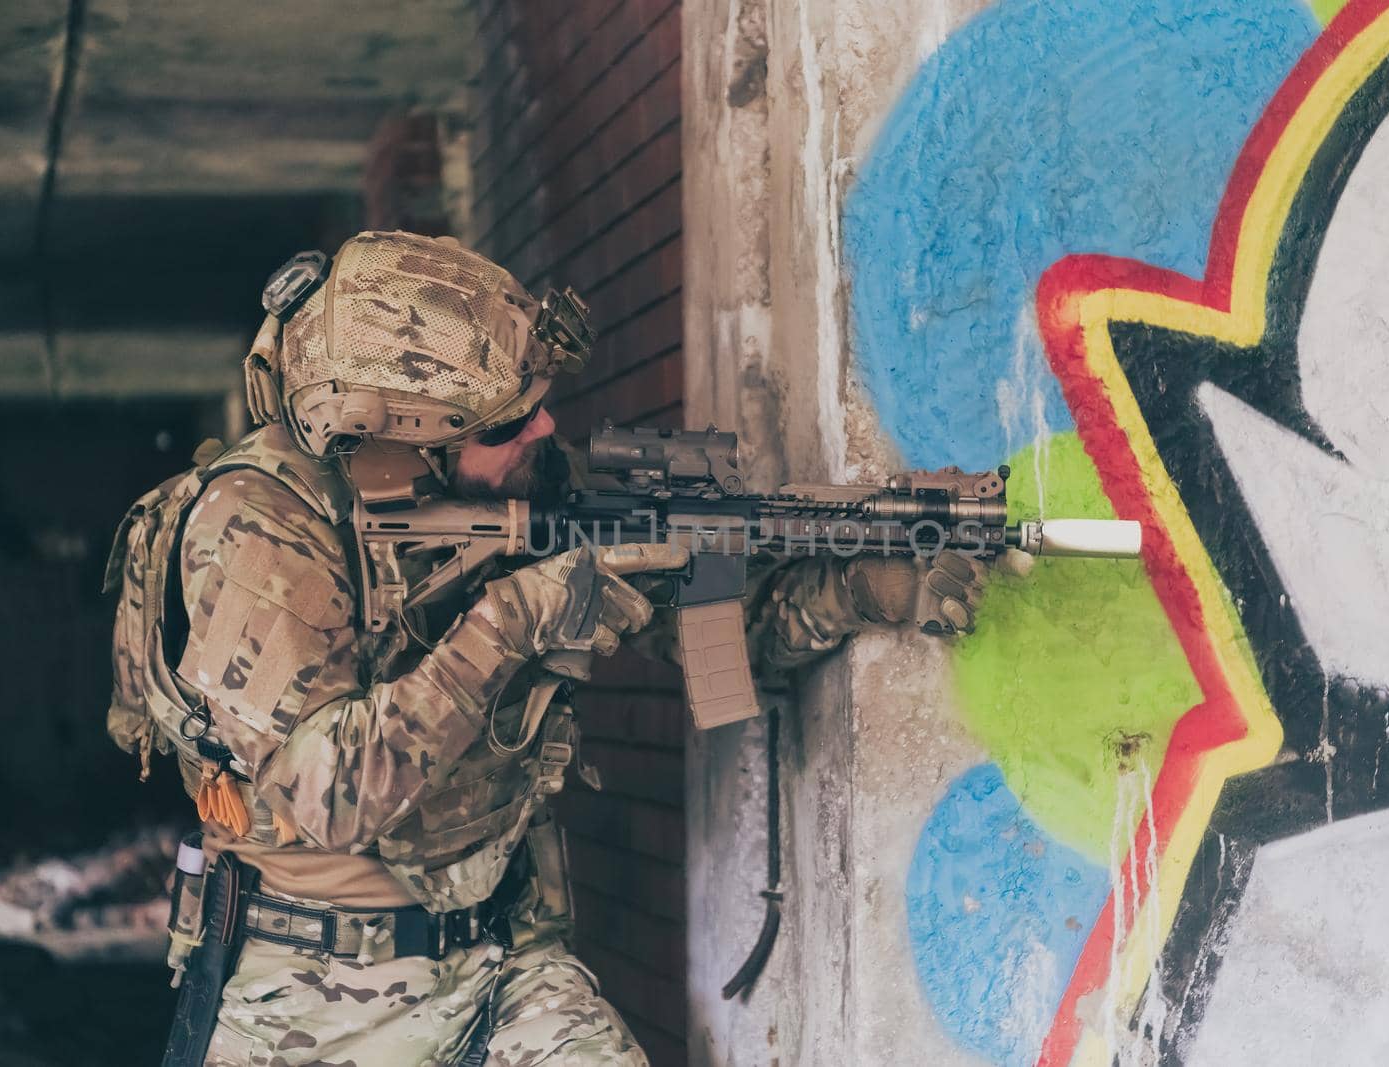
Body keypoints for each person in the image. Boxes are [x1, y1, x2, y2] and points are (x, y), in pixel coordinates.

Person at [104, 230, 1018, 1066]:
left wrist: (863, 588)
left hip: (505, 965)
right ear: (401, 449)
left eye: (539, 405)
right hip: (313, 1000)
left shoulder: (530, 492)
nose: (545, 431)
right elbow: (333, 793)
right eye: (505, 425)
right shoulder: (256, 530)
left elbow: (716, 636)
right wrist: (518, 620)